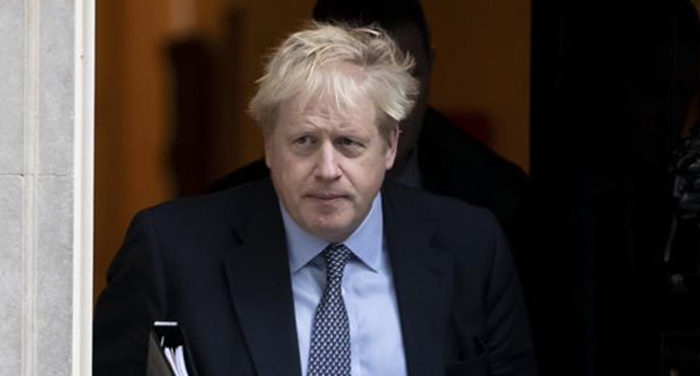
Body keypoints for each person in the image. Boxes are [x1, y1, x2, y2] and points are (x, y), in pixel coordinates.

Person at [93, 22, 549, 376]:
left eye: (349, 143)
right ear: (270, 145)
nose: (327, 170)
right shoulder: (173, 252)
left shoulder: (469, 250)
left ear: (390, 145)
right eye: (304, 142)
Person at [209, 0, 529, 270]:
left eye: (406, 78)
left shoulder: (496, 204)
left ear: (431, 64)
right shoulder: (221, 218)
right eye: (354, 81)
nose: (389, 107)